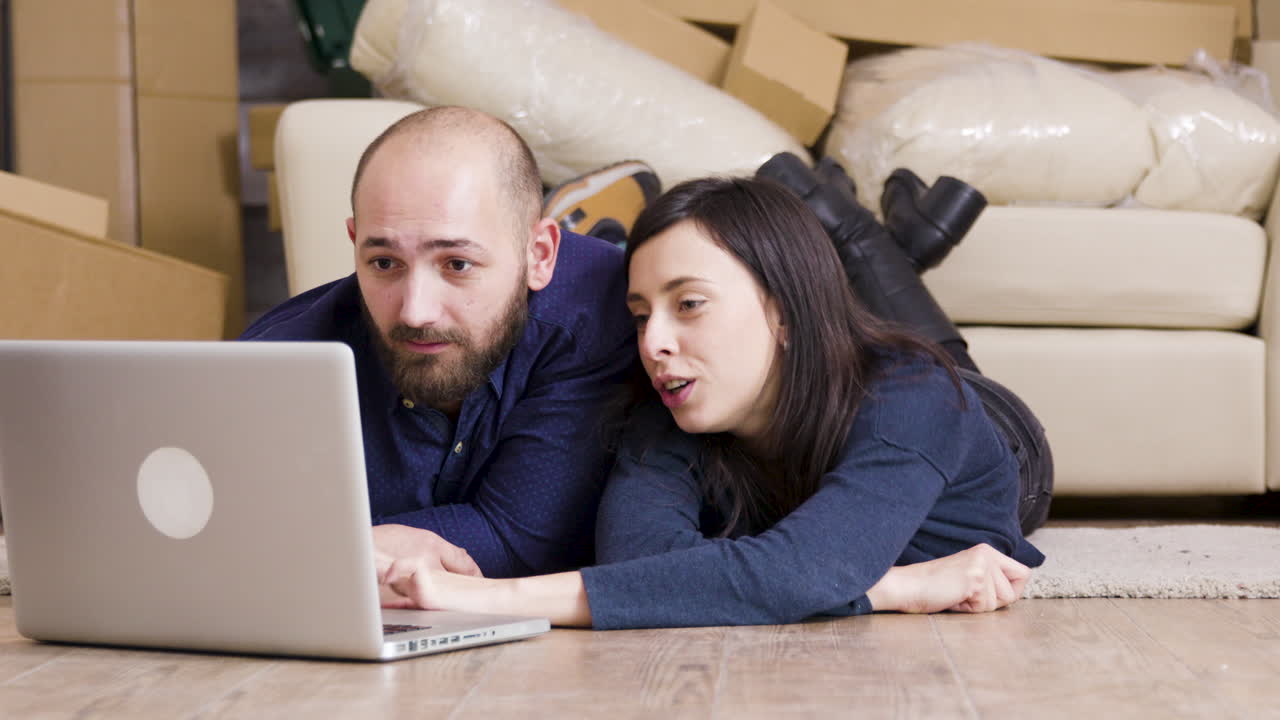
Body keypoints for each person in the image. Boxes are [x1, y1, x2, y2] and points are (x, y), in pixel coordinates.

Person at [376, 176, 1045, 628]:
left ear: (783, 310)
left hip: (990, 424)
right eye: (640, 313)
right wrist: (895, 588)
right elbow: (645, 570)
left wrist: (493, 598)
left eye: (689, 304)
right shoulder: (669, 407)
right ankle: (840, 205)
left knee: (928, 360)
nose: (654, 343)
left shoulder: (918, 402)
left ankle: (860, 230)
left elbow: (806, 570)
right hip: (820, 358)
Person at [240, 106, 637, 579]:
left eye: (457, 264)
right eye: (385, 263)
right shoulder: (273, 367)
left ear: (540, 255)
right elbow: (232, 545)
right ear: (354, 243)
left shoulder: (596, 309)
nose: (415, 311)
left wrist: (335, 547)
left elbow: (520, 540)